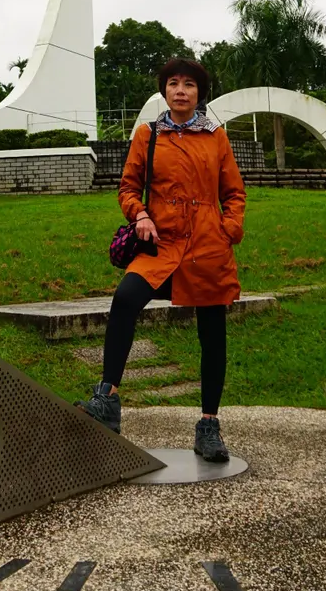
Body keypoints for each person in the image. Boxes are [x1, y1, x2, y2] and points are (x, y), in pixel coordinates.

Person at [75, 57, 246, 462]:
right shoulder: (147, 134)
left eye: (189, 84)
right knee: (125, 299)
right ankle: (108, 399)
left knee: (212, 331)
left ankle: (208, 426)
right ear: (164, 90)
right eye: (173, 83)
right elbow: (128, 187)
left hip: (207, 246)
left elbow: (234, 193)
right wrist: (140, 215)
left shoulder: (216, 137)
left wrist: (229, 229)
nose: (181, 90)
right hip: (161, 244)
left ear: (199, 93)